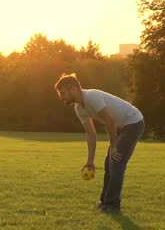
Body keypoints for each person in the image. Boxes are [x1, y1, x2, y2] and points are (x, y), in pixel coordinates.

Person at [54, 73, 144, 214]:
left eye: (63, 93)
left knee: (116, 162)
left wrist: (113, 147)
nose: (61, 97)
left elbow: (110, 121)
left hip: (133, 122)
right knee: (109, 163)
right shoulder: (79, 108)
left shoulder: (92, 97)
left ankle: (113, 206)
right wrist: (90, 161)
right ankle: (105, 202)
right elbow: (91, 133)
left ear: (73, 89)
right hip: (120, 125)